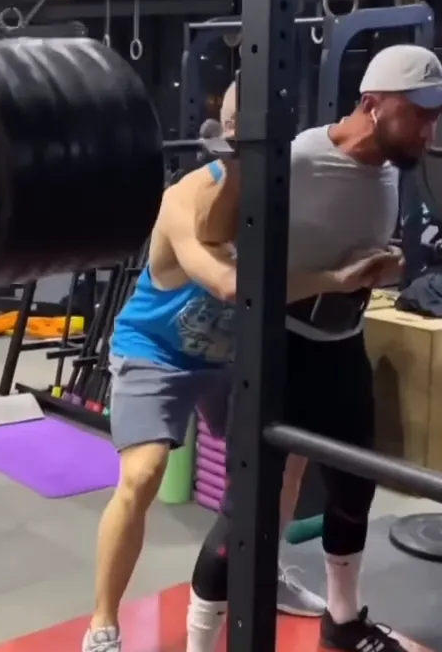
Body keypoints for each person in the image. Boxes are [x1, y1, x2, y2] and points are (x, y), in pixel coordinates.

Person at [82, 84, 398, 652]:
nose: (252, 164)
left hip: (231, 358)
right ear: (226, 145)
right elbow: (232, 285)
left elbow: (287, 277)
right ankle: (103, 624)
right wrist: (330, 279)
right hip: (157, 352)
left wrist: (356, 272)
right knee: (143, 474)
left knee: (283, 458)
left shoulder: (280, 199)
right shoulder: (184, 199)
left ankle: (260, 569)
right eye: (241, 153)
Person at [184, 44, 442, 652]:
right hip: (278, 353)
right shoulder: (299, 159)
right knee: (248, 511)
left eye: (437, 116)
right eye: (419, 114)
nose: (431, 130)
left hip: (343, 347)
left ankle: (342, 620)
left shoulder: (392, 169)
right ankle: (200, 643)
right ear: (373, 104)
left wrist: (380, 269)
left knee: (354, 490)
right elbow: (213, 237)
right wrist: (240, 165)